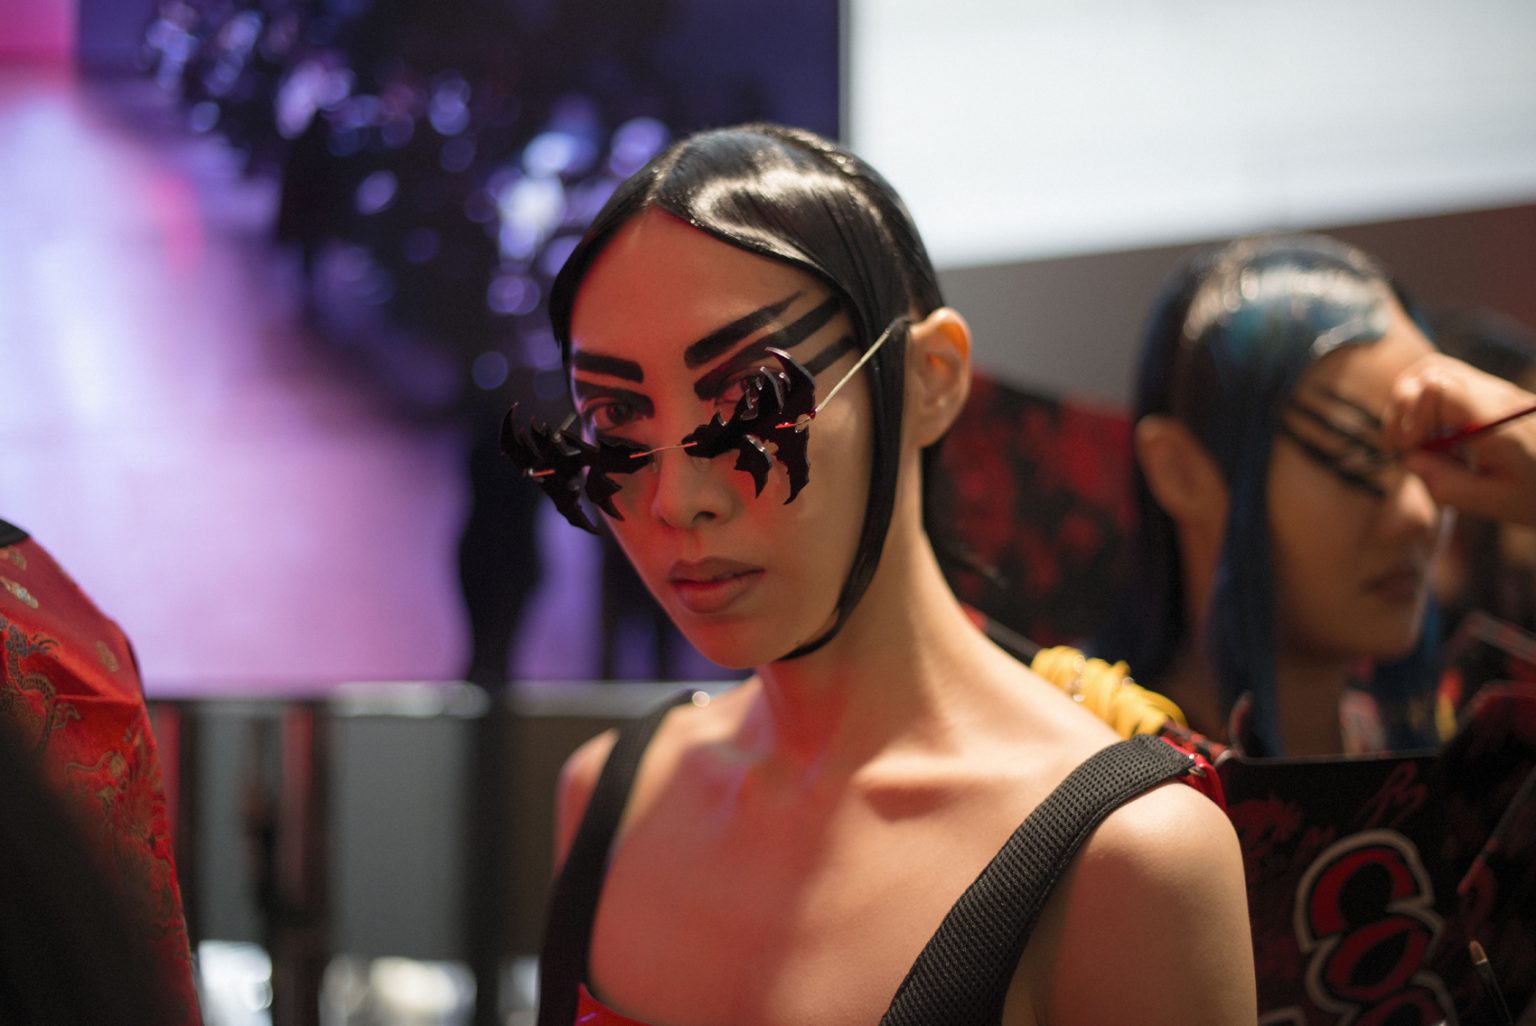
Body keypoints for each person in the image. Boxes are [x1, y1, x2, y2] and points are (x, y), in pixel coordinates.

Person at [504, 123, 1255, 1025]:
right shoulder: (607, 798)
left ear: (931, 378)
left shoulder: (1131, 857)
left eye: (754, 400)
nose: (677, 499)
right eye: (617, 421)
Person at [1096, 234, 1448, 757]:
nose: (1420, 514)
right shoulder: (1099, 763)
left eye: (1440, 451)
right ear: (1178, 471)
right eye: (1356, 454)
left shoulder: (1442, 753)